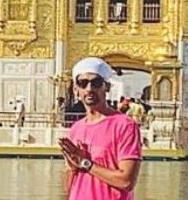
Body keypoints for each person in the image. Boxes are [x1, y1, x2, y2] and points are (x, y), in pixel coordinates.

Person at [60, 57, 142, 200]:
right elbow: (70, 187)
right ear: (76, 89)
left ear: (107, 87)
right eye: (83, 83)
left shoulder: (124, 125)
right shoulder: (76, 129)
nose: (89, 89)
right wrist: (72, 166)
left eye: (96, 83)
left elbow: (126, 181)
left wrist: (86, 163)